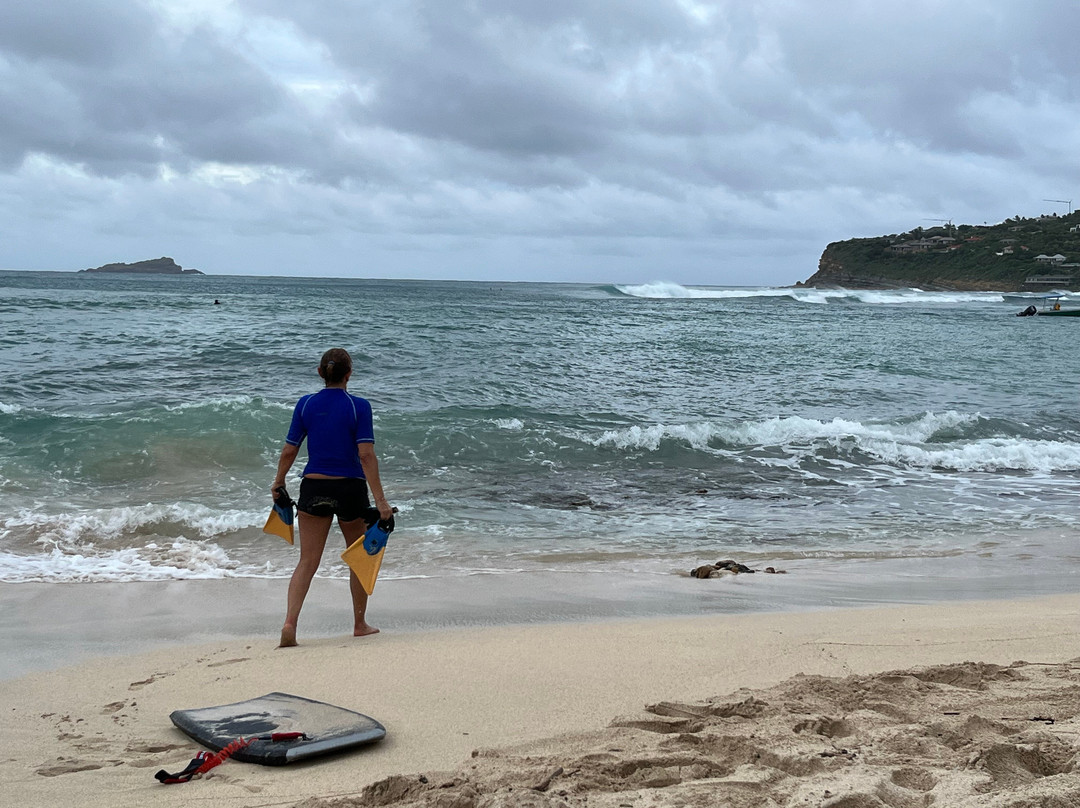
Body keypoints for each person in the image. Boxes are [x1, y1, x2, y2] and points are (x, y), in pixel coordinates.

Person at [271, 348, 393, 647]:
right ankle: (359, 624)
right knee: (359, 557)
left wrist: (278, 481)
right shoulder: (359, 407)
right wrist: (381, 502)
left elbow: (290, 450)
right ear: (349, 375)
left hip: (313, 487)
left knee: (307, 561)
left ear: (319, 372)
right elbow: (365, 455)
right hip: (350, 488)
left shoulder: (305, 404)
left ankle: (290, 622)